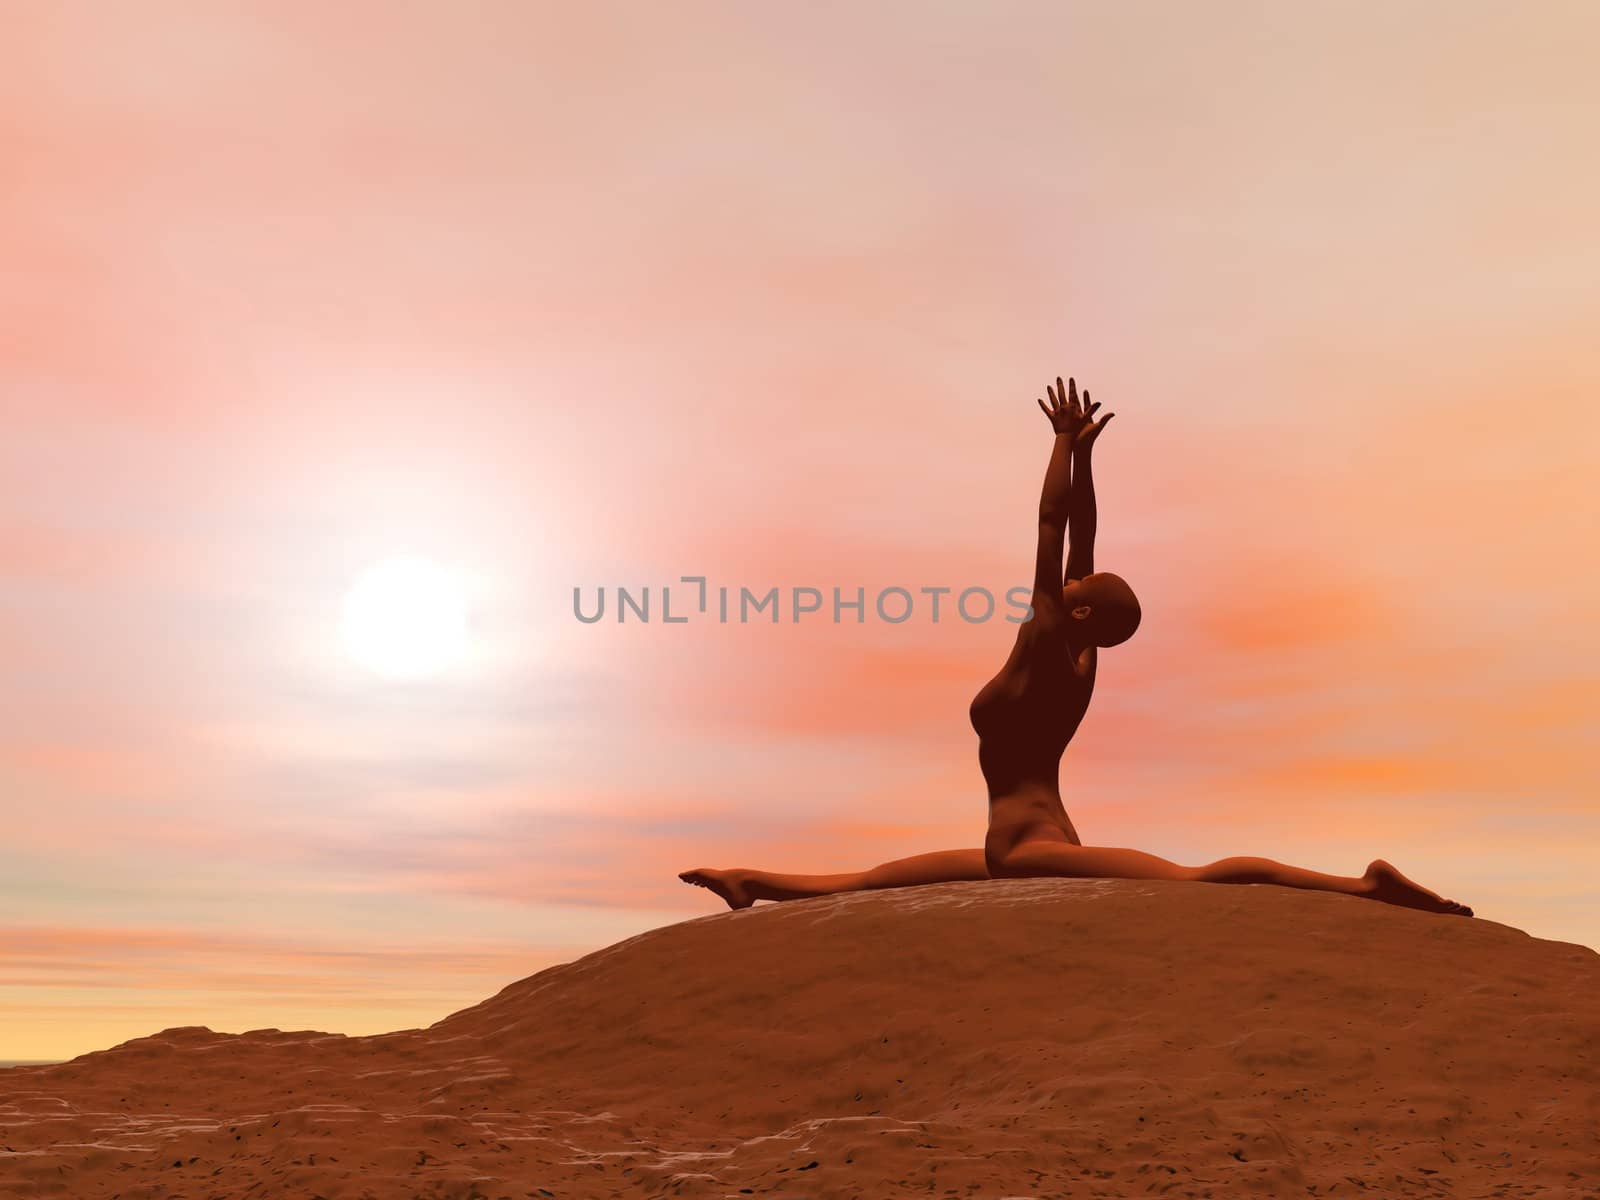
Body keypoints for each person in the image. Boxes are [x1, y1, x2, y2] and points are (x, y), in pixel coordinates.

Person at [681, 375, 1472, 918]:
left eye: (1081, 589)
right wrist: (1090, 456)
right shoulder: (1077, 660)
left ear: (1082, 615)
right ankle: (751, 878)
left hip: (1028, 845)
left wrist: (1060, 442)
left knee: (1193, 880)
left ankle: (1364, 888)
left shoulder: (1048, 634)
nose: (1072, 582)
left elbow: (1052, 527)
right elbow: (1082, 536)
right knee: (873, 880)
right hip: (1023, 838)